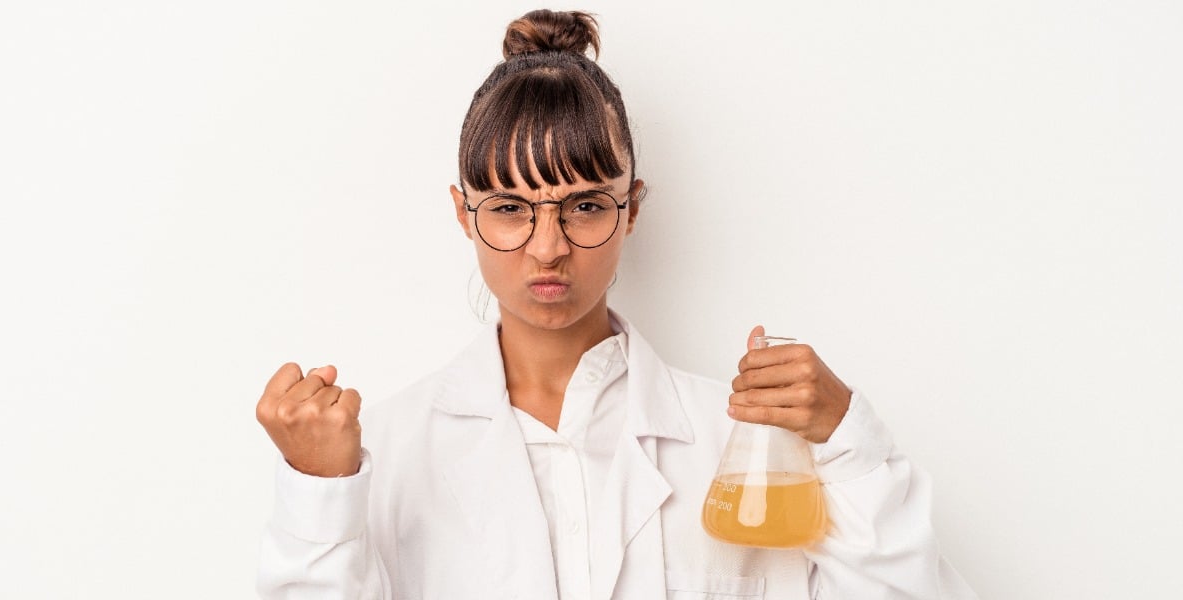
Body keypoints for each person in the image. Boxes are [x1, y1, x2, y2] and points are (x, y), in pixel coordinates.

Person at [255, 9, 977, 600]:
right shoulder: (383, 452)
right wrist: (320, 494)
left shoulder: (741, 452)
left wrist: (847, 443)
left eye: (586, 206)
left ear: (632, 209)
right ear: (462, 211)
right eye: (510, 207)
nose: (548, 248)